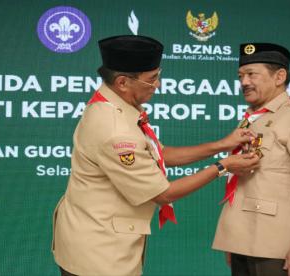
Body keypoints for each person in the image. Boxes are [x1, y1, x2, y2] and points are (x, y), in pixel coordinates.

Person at [51, 35, 260, 276]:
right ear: (122, 82)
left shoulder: (114, 104)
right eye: (152, 79)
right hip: (99, 252)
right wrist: (223, 167)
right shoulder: (115, 130)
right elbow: (163, 193)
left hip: (92, 235)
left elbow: (160, 155)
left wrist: (222, 144)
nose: (158, 85)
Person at [212, 42, 290, 276]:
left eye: (251, 74)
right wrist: (236, 237)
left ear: (279, 76)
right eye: (240, 76)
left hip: (278, 247)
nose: (244, 82)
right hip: (245, 241)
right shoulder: (251, 120)